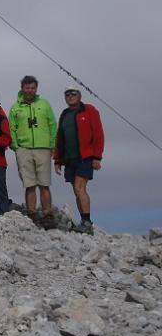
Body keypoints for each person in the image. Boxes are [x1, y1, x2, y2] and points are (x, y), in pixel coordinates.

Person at [54, 86, 105, 235]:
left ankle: (87, 222)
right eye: (67, 94)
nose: (70, 96)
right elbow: (60, 137)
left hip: (85, 157)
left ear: (80, 96)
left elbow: (98, 133)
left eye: (73, 94)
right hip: (69, 158)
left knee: (79, 188)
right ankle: (84, 221)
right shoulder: (65, 114)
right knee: (76, 191)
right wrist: (57, 159)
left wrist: (97, 157)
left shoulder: (89, 110)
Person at [8, 75, 57, 229]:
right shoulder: (16, 107)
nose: (30, 90)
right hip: (24, 149)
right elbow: (11, 128)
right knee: (29, 184)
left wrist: (52, 145)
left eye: (32, 88)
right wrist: (16, 146)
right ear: (22, 89)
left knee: (44, 183)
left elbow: (52, 124)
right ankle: (32, 214)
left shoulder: (44, 104)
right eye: (27, 87)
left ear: (36, 89)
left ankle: (47, 214)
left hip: (43, 147)